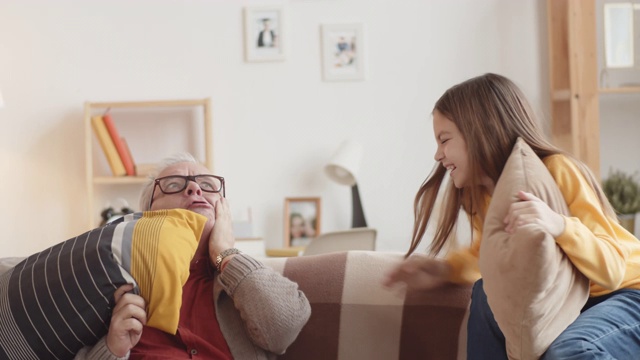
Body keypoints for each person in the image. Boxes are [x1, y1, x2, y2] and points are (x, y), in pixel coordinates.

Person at [383, 73, 640, 359]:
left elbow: (614, 269)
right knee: (484, 292)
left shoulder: (558, 170)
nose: (437, 155)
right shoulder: (483, 196)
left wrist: (559, 225)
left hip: (626, 295)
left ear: (479, 130)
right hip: (570, 302)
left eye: (444, 140)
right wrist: (445, 271)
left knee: (568, 351)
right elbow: (487, 256)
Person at [77, 152, 311, 359]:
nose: (195, 189)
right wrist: (112, 350)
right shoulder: (115, 280)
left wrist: (225, 254)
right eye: (173, 185)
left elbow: (284, 330)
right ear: (147, 215)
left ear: (223, 209)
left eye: (208, 185)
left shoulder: (246, 281)